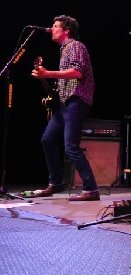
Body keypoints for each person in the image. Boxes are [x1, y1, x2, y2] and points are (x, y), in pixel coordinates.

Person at [31, 15, 99, 201]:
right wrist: (44, 76)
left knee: (71, 147)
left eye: (55, 26)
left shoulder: (75, 46)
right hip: (64, 103)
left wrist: (48, 73)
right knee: (48, 140)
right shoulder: (64, 50)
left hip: (75, 100)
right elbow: (64, 79)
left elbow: (77, 72)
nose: (51, 29)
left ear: (66, 30)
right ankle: (56, 182)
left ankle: (91, 189)